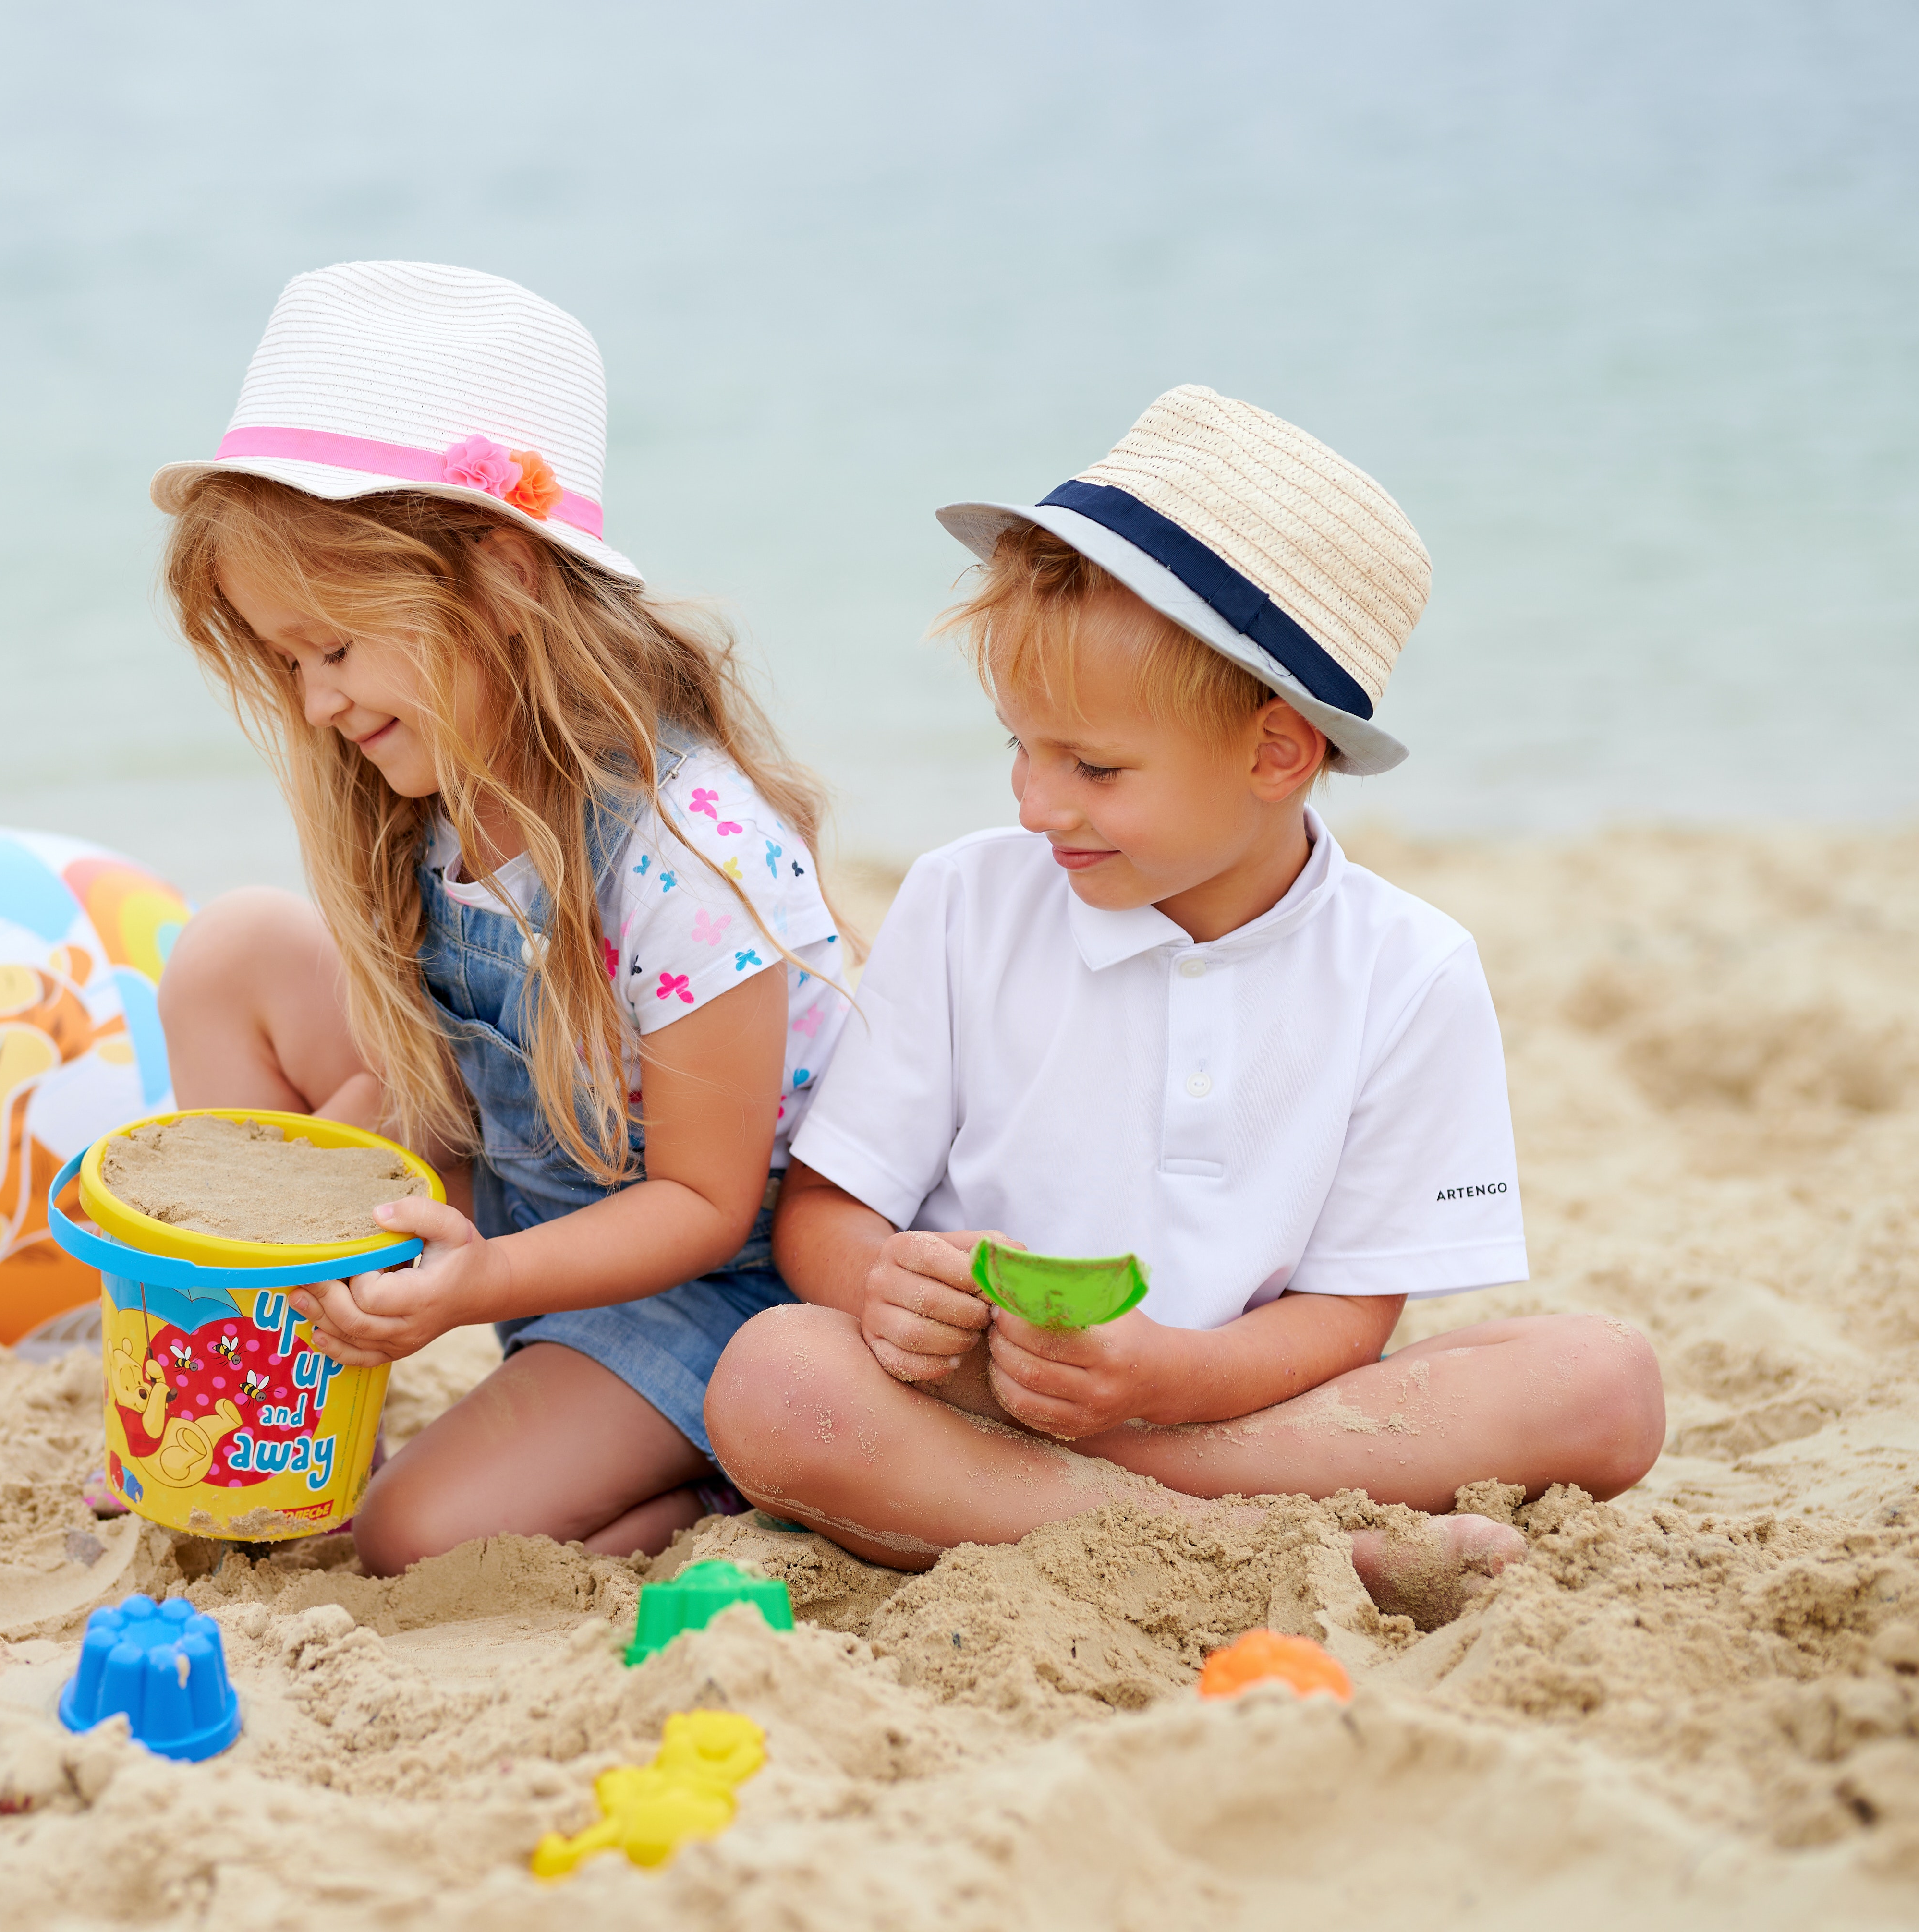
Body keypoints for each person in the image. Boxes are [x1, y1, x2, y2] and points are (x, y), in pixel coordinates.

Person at [703, 386, 1665, 1615]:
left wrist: (1168, 1376)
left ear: (1276, 754)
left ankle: (1126, 1503)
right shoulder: (965, 901)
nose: (1035, 804)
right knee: (776, 1376)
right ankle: (1285, 1547)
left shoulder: (1408, 967)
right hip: (983, 1396)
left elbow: (1350, 1312)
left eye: (1094, 767)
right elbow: (830, 1209)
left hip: (1249, 1406)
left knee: (1606, 1379)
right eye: (1019, 745)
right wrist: (880, 1285)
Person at [148, 262, 848, 1576]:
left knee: (416, 1536)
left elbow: (702, 1201)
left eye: (336, 650)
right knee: (233, 951)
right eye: (289, 661)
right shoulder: (430, 791)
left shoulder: (690, 857)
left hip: (696, 1284)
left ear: (503, 581)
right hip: (524, 1189)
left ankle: (710, 1481)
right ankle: (255, 1374)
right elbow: (449, 1075)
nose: (314, 703)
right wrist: (300, 1211)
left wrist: (476, 1287)